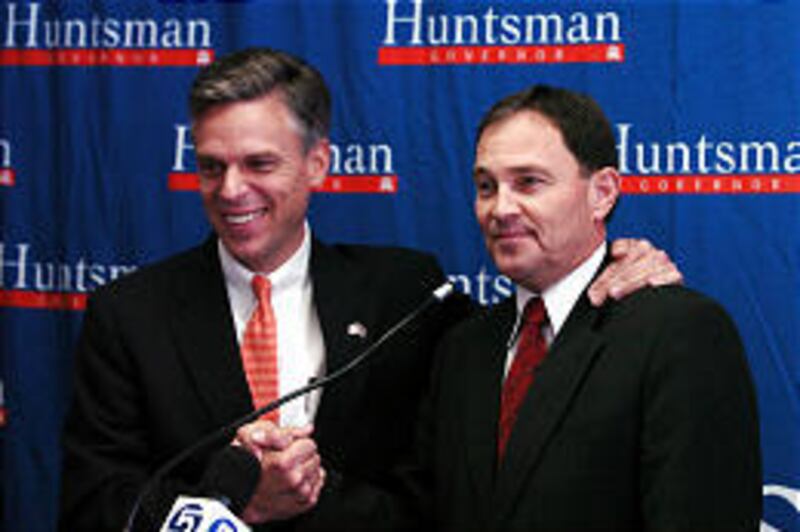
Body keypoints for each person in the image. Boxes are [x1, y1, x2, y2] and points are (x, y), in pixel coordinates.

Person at [58, 49, 681, 531]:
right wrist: (229, 502)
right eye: (211, 166)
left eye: (260, 164)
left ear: (318, 164)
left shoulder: (406, 294)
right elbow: (94, 508)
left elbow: (534, 333)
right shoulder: (131, 314)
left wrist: (612, 260)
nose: (231, 190)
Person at [409, 85, 762, 531]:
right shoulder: (462, 348)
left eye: (528, 182)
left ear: (603, 193)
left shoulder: (679, 334)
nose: (500, 208)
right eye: (486, 187)